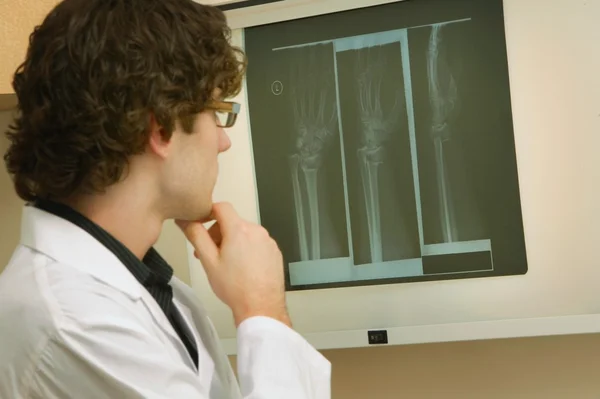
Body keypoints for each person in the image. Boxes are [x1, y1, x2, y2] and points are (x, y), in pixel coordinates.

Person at [0, 0, 331, 397]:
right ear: (161, 129)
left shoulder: (142, 284)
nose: (223, 142)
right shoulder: (75, 323)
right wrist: (263, 310)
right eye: (216, 112)